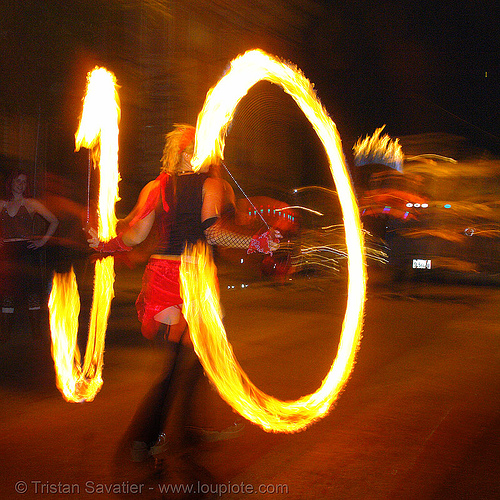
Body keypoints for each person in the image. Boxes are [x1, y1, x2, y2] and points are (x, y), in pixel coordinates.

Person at [88, 124, 280, 463]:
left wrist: (105, 245)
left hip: (163, 277)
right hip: (193, 277)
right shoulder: (210, 185)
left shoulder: (156, 187)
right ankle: (151, 439)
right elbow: (215, 233)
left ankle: (168, 435)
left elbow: (134, 236)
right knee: (190, 361)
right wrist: (255, 242)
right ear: (193, 153)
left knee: (190, 361)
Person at [0, 169, 59, 342]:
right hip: (8, 252)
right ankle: (5, 333)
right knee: (7, 292)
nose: (21, 185)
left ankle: (37, 333)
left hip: (26, 251)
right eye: (18, 181)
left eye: (24, 182)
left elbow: (54, 220)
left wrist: (43, 241)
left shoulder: (31, 203)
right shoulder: (2, 204)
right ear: (11, 183)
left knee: (31, 292)